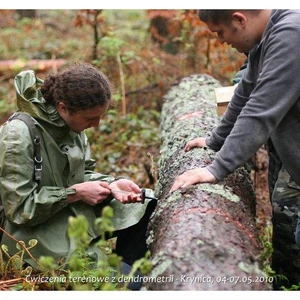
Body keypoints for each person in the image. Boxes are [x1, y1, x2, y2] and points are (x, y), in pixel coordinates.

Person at [170, 10, 300, 288]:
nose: (220, 41)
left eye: (220, 32)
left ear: (240, 19)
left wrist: (216, 169)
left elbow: (261, 110)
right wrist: (215, 140)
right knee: (287, 226)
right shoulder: (266, 38)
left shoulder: (292, 34)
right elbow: (245, 93)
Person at [0, 62, 156, 290]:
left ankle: (127, 268)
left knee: (147, 204)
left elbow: (84, 172)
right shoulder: (18, 134)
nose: (96, 124)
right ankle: (123, 280)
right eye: (90, 118)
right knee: (106, 273)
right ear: (63, 107)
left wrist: (112, 184)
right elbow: (19, 209)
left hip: (66, 207)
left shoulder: (72, 125)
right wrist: (75, 193)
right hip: (29, 229)